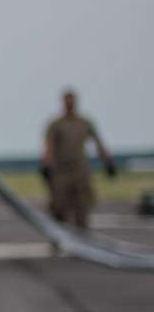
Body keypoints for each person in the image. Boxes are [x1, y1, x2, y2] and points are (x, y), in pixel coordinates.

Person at [42, 89, 116, 229]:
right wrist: (46, 164)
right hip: (61, 172)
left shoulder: (84, 123)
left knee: (82, 207)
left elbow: (98, 143)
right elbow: (48, 146)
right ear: (63, 102)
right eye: (66, 100)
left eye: (71, 100)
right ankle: (61, 238)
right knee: (59, 208)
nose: (69, 103)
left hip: (80, 171)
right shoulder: (56, 124)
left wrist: (108, 162)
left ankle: (83, 239)